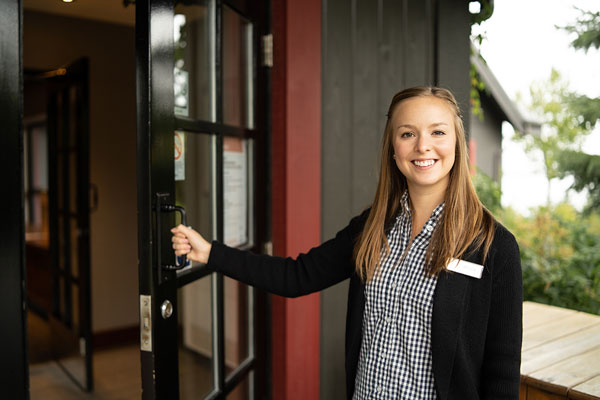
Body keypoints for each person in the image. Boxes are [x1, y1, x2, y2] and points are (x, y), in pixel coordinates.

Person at [171, 86, 522, 400]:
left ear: (457, 142)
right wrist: (211, 253)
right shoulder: (371, 229)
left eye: (438, 132)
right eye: (407, 133)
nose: (422, 146)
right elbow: (296, 276)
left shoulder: (493, 246)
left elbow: (502, 370)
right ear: (393, 148)